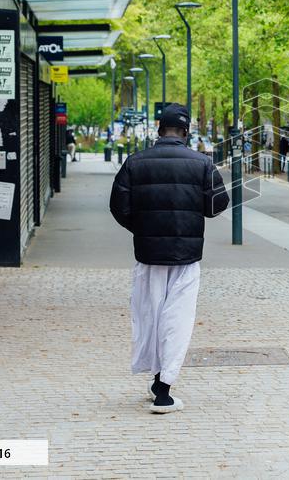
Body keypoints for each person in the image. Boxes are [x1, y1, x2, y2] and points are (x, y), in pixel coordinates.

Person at [110, 104, 229, 414]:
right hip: (185, 257)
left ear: (158, 130)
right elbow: (217, 205)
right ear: (186, 133)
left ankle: (156, 378)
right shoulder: (202, 163)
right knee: (177, 319)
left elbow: (118, 206)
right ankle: (163, 389)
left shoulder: (135, 162)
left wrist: (142, 228)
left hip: (148, 256)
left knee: (149, 315)